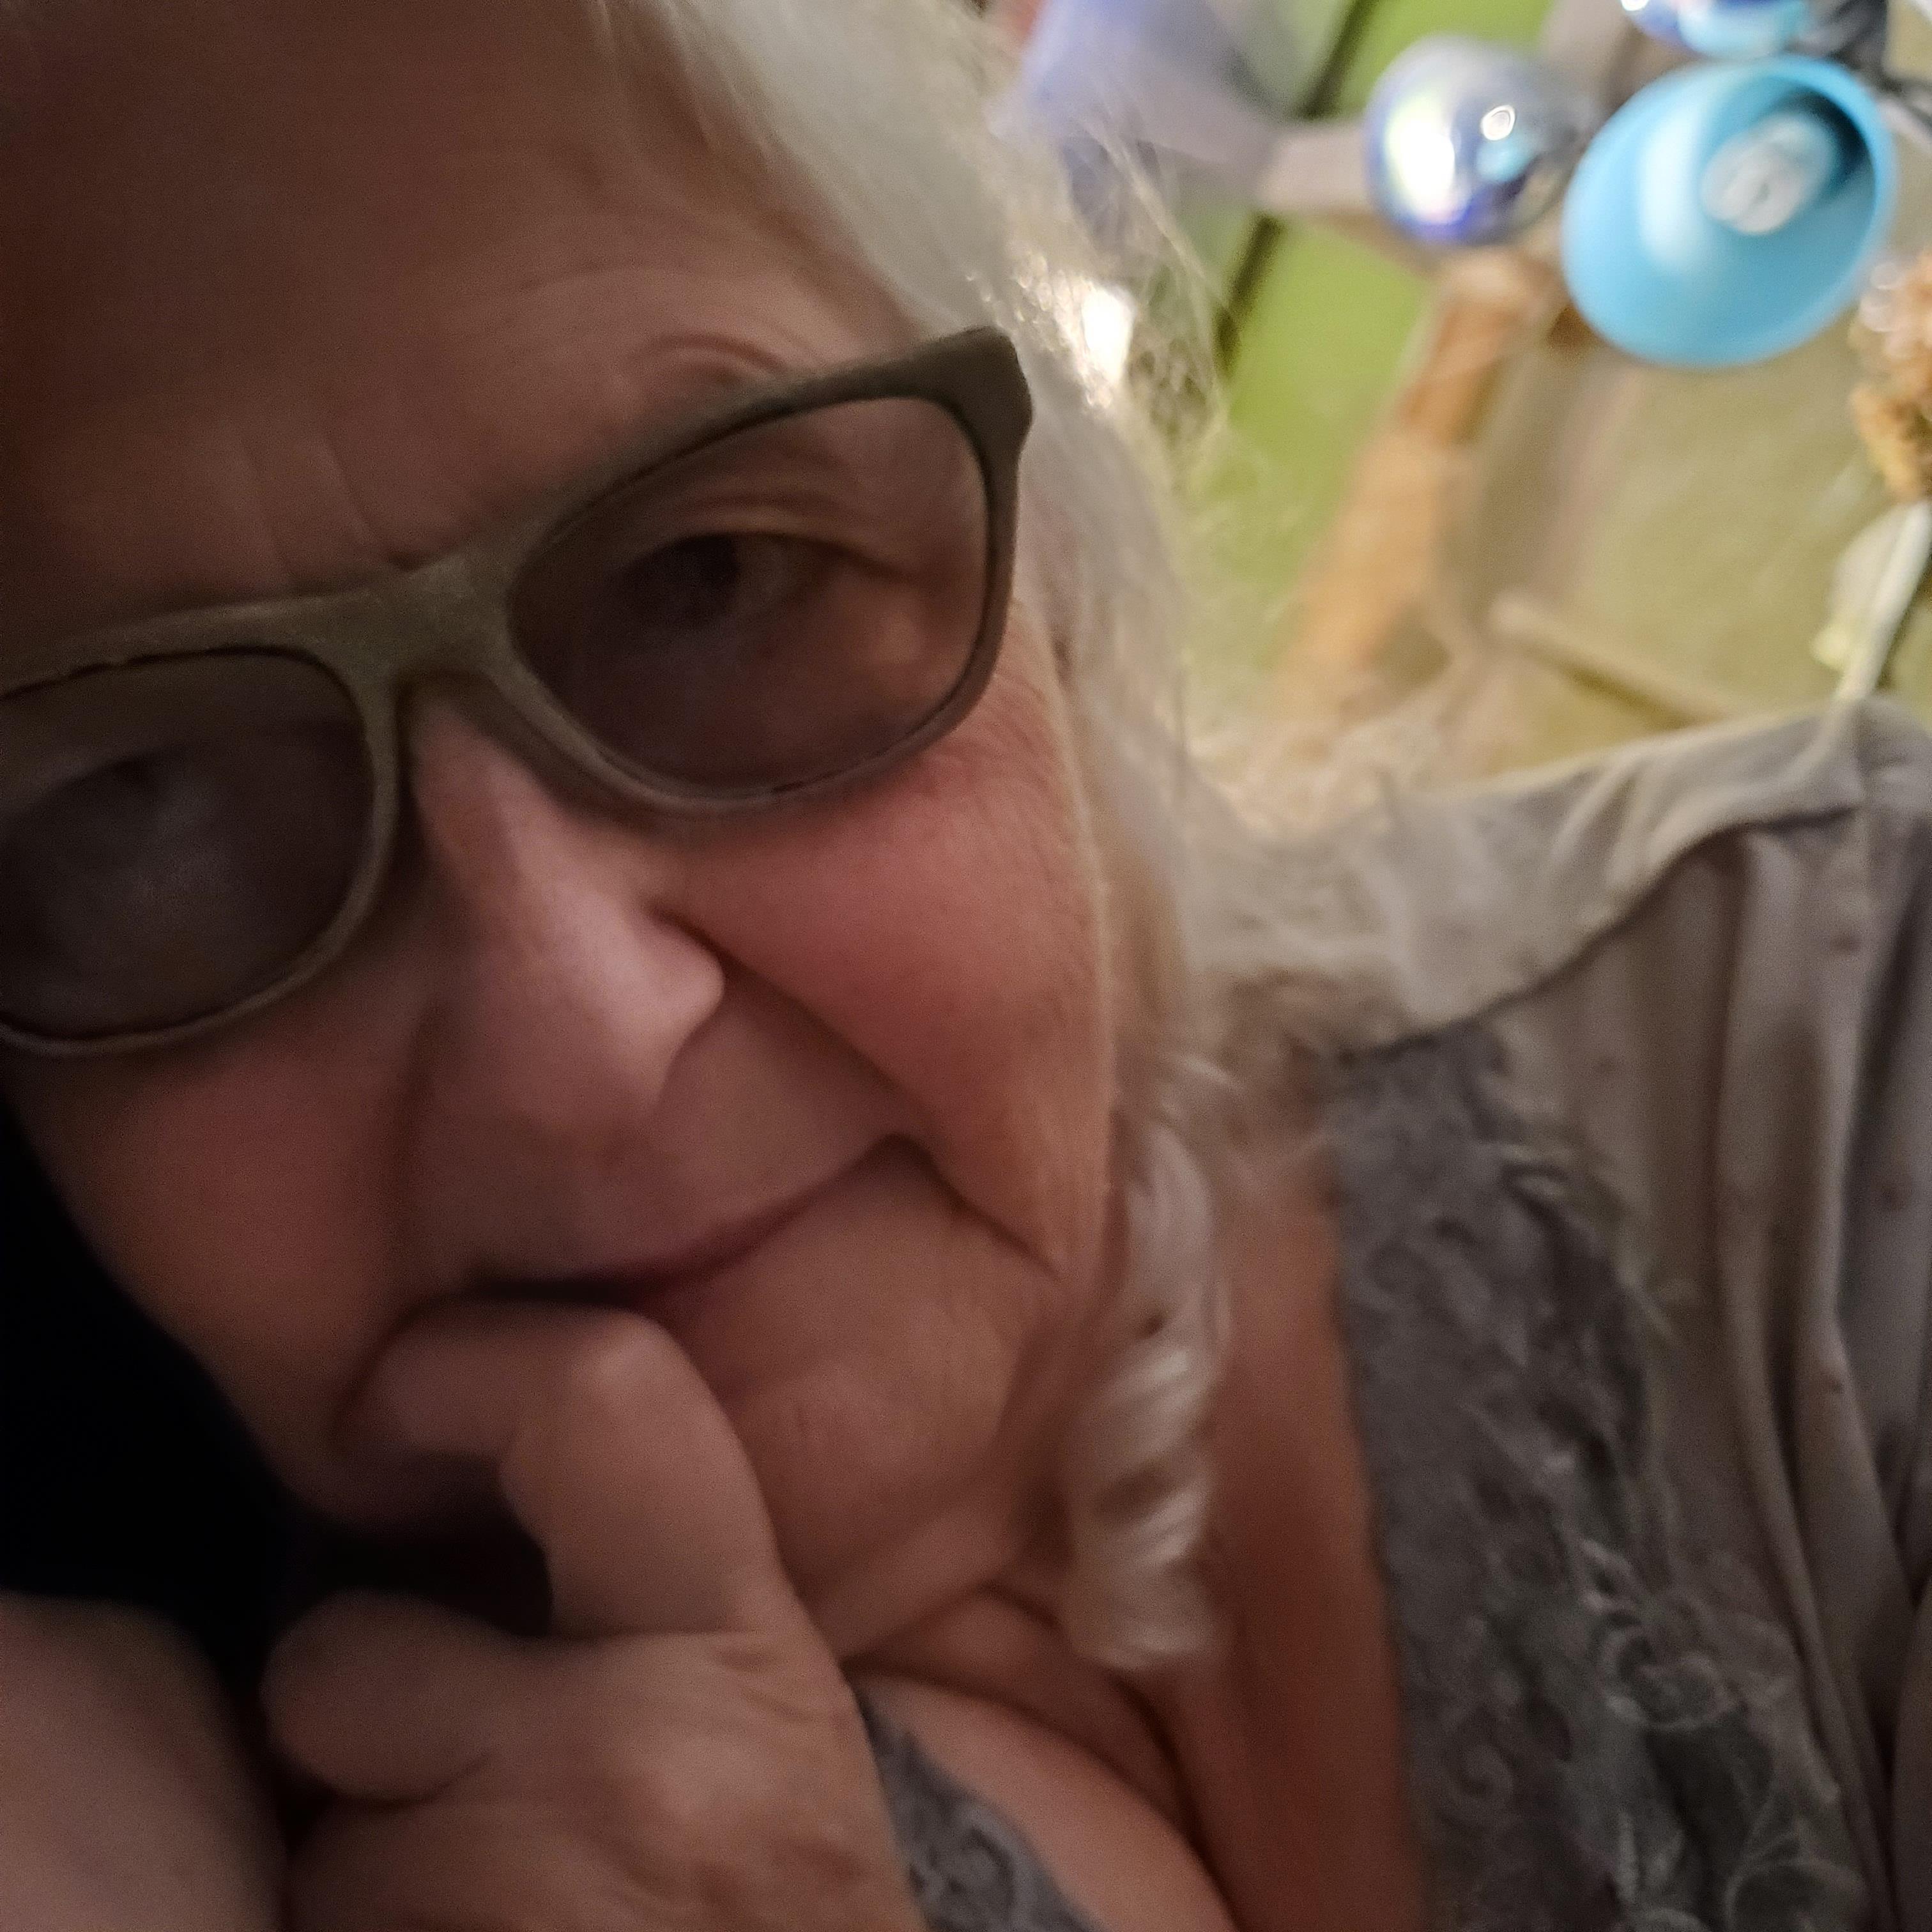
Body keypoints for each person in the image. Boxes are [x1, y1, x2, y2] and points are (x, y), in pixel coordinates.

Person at [0, 1, 1924, 1929]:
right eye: (145, 802)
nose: (583, 1042)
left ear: (1061, 588)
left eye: (716, 578)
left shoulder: (1837, 1054)